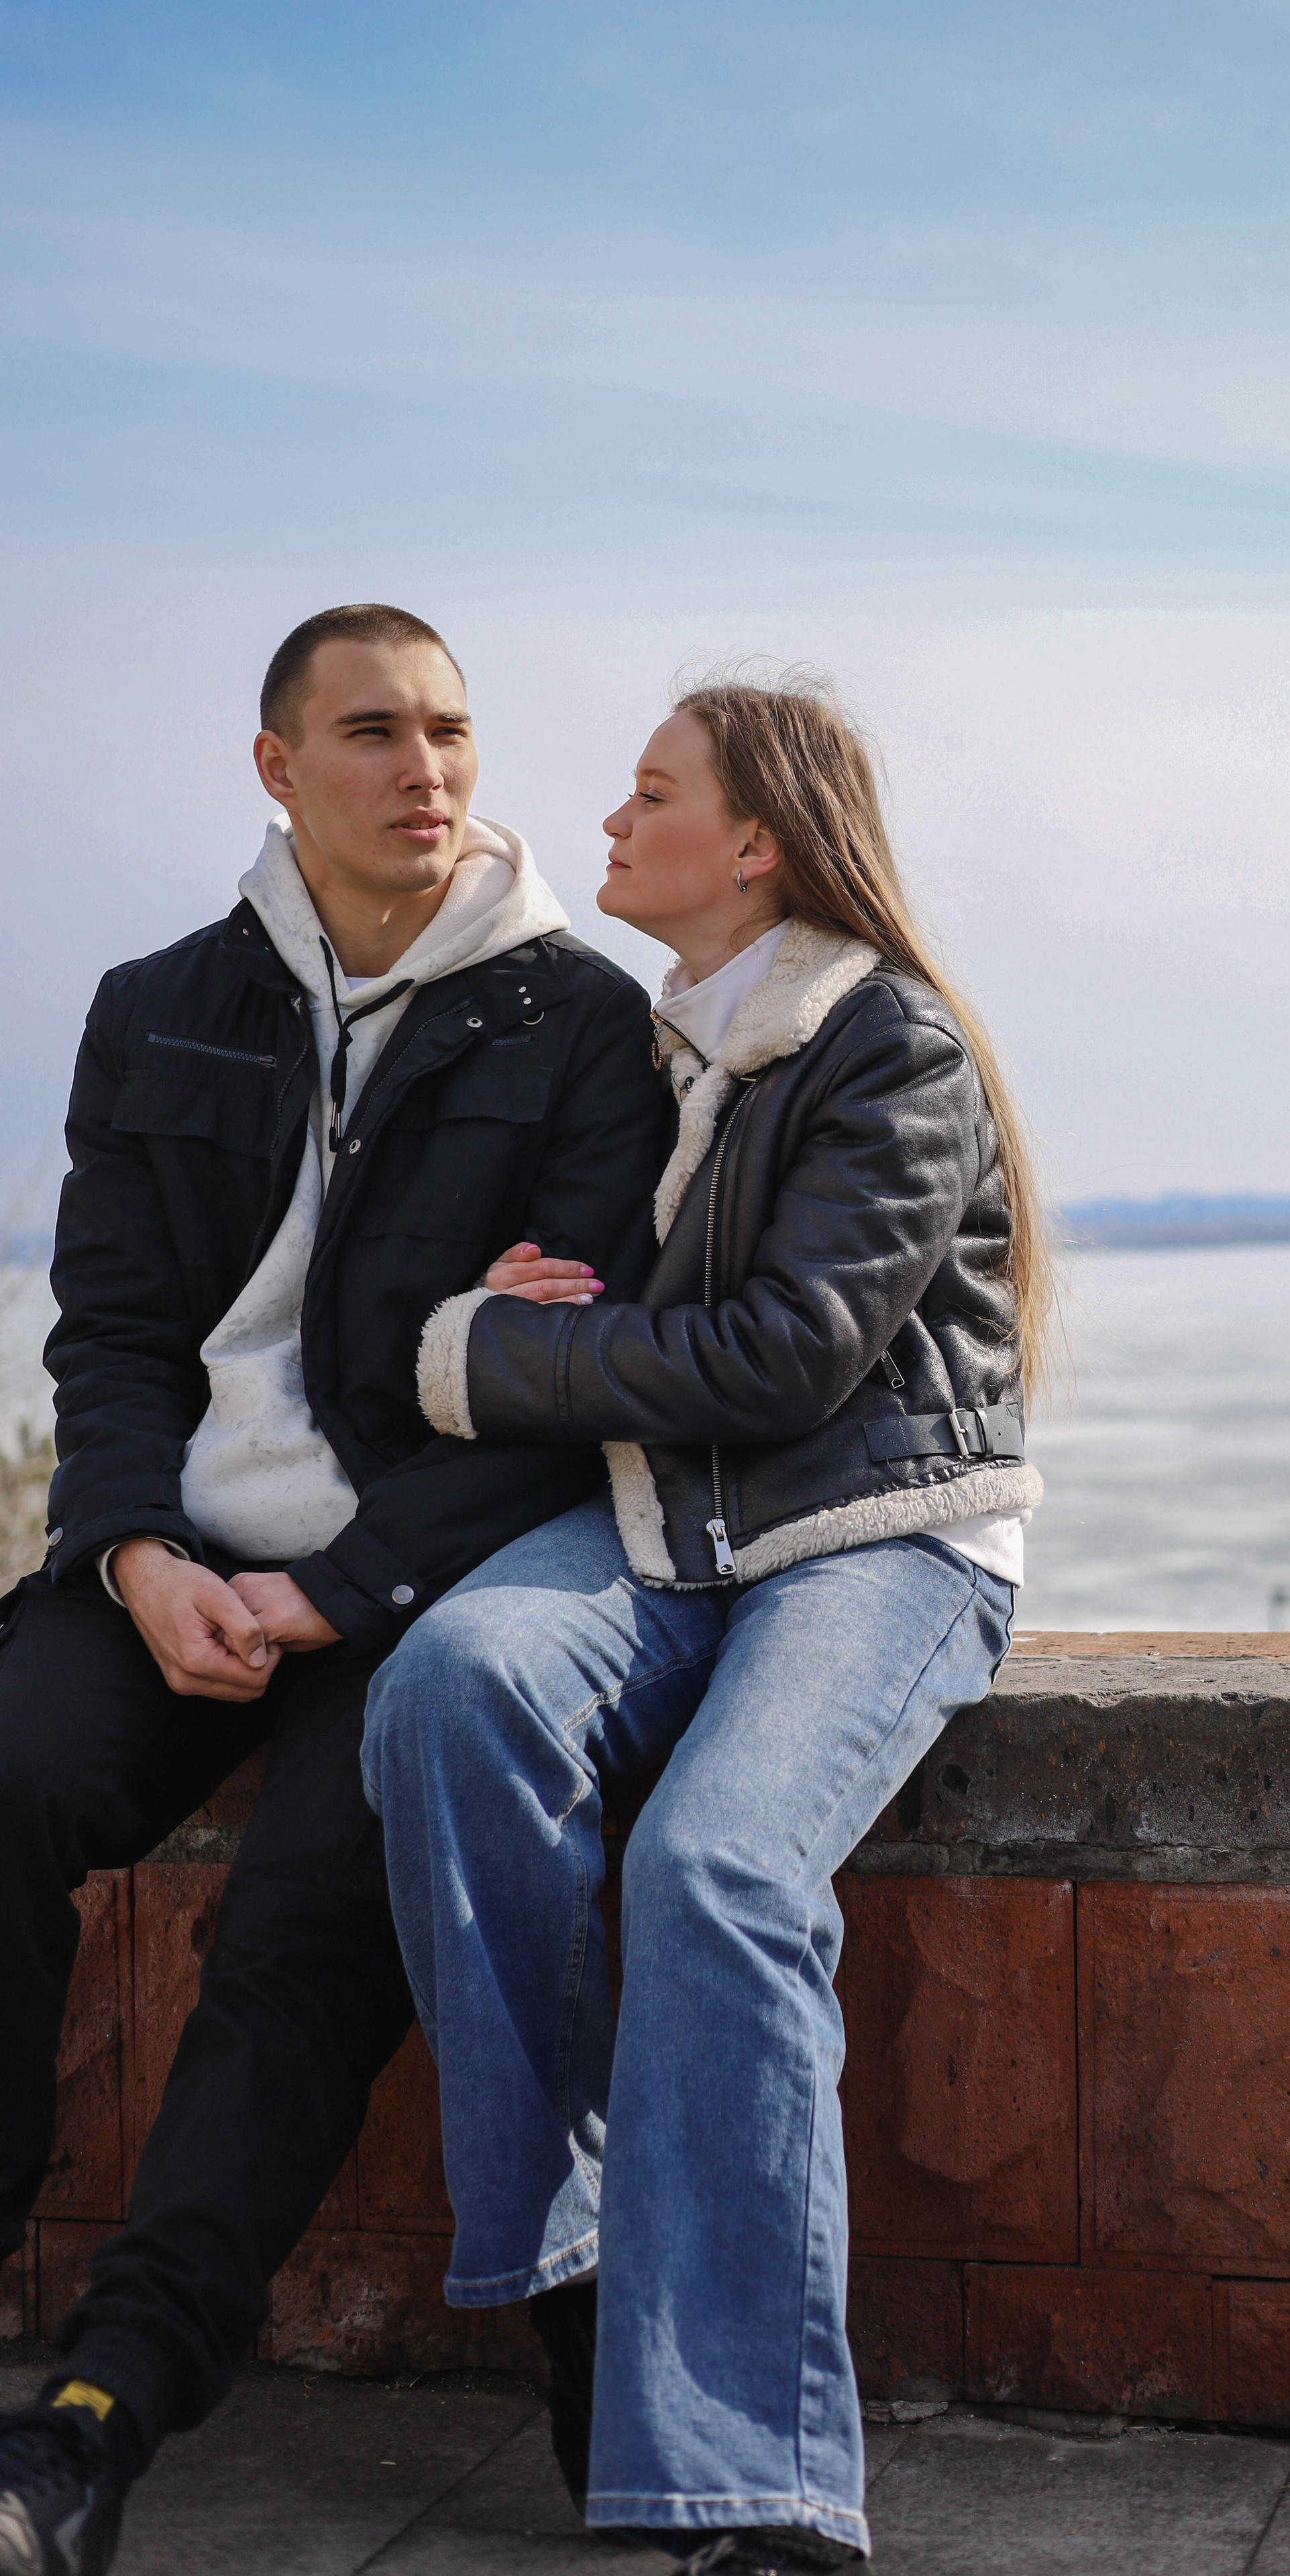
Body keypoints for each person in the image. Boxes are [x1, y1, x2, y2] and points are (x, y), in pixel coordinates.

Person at [0, 604, 667, 2576]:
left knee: (300, 1931)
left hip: (405, 1591)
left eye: (453, 732)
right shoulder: (158, 1006)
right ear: (278, 766)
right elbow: (111, 1333)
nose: (428, 771)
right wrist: (131, 1555)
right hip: (178, 1555)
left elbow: (560, 1404)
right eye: (373, 733)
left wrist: (346, 1592)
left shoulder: (583, 1023)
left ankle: (105, 2412)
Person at [363, 674, 1052, 2572]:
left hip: (882, 1543)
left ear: (756, 840)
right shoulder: (666, 1050)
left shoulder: (883, 1044)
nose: (609, 818)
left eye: (651, 792)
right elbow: (601, 1300)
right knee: (450, 1689)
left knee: (718, 1867)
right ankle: (572, 2269)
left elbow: (786, 1351)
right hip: (679, 1532)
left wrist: (498, 1356)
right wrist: (531, 1296)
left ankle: (758, 2479)